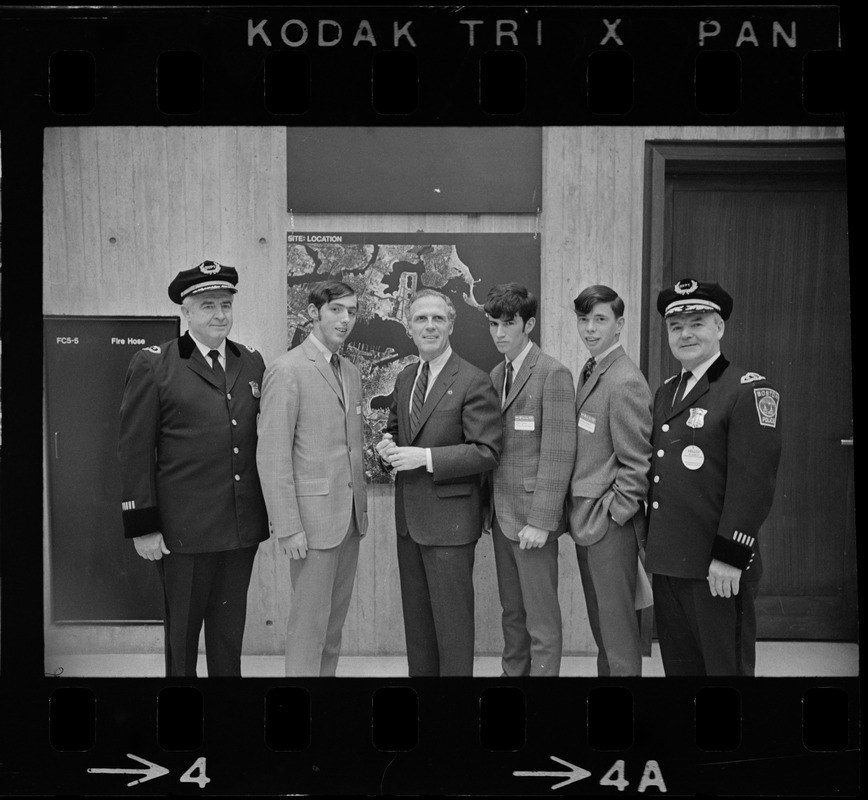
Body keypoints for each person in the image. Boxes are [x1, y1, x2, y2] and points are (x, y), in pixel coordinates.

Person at [118, 260, 269, 677]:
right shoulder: (155, 363)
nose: (220, 315)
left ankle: (226, 726)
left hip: (239, 529)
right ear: (185, 311)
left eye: (225, 304)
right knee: (182, 647)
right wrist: (143, 525)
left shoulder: (250, 361)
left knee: (228, 640)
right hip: (182, 533)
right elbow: (134, 450)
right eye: (208, 306)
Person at [645, 278, 782, 676]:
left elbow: (753, 482)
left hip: (715, 566)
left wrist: (730, 555)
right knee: (681, 670)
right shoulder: (666, 392)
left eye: (698, 323)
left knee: (725, 671)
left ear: (719, 328)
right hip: (671, 562)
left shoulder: (746, 390)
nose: (685, 334)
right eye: (676, 326)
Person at [376, 289, 502, 677]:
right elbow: (396, 432)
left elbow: (486, 451)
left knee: (453, 633)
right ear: (409, 328)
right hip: (409, 525)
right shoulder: (405, 377)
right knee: (419, 633)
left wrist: (425, 458)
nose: (429, 326)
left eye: (437, 318)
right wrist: (386, 447)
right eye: (420, 319)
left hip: (449, 526)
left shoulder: (474, 380)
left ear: (451, 325)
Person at [256, 281, 367, 677]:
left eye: (352, 311)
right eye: (336, 309)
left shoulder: (350, 371)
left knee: (332, 632)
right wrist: (287, 527)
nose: (345, 319)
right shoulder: (286, 369)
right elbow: (271, 455)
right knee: (308, 630)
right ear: (313, 313)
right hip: (311, 525)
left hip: (350, 521)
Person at [483, 283, 575, 677]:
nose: (500, 333)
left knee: (541, 619)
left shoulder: (552, 373)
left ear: (529, 324)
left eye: (509, 324)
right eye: (493, 324)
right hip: (502, 516)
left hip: (533, 519)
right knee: (512, 612)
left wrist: (541, 521)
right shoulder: (496, 372)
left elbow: (558, 452)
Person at [568, 285, 653, 676]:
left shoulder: (624, 381)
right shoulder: (593, 369)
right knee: (603, 628)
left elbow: (637, 465)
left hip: (608, 526)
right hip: (589, 522)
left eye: (599, 319)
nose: (589, 328)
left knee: (617, 635)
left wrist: (615, 515)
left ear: (619, 326)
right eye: (584, 319)